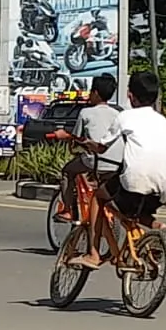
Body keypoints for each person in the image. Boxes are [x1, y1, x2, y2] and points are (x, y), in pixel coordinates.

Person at [69, 71, 166, 270]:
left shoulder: (126, 117)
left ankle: (93, 254)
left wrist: (86, 143)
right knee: (136, 210)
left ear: (130, 96)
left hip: (137, 179)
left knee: (98, 197)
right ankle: (159, 228)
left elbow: (101, 147)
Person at [47, 74, 122, 221]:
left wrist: (66, 138)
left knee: (67, 171)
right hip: (118, 163)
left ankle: (68, 210)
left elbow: (76, 138)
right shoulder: (118, 114)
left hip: (95, 160)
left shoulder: (86, 113)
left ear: (95, 93)